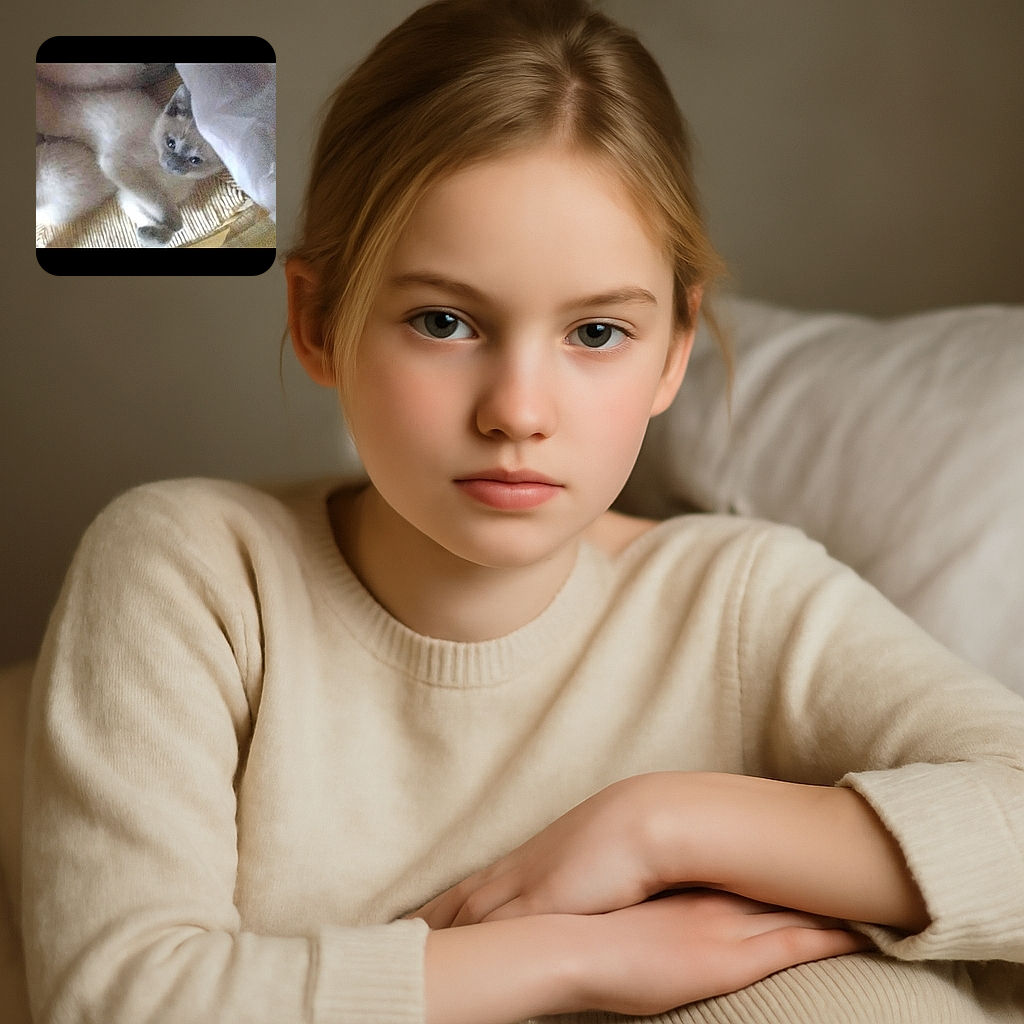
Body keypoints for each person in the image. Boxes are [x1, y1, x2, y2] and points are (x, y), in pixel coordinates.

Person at [21, 1, 1024, 1022]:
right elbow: (121, 995)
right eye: (444, 321)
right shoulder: (194, 571)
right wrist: (576, 959)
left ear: (674, 351)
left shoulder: (738, 599)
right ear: (318, 323)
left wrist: (660, 825)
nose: (517, 412)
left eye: (595, 331)